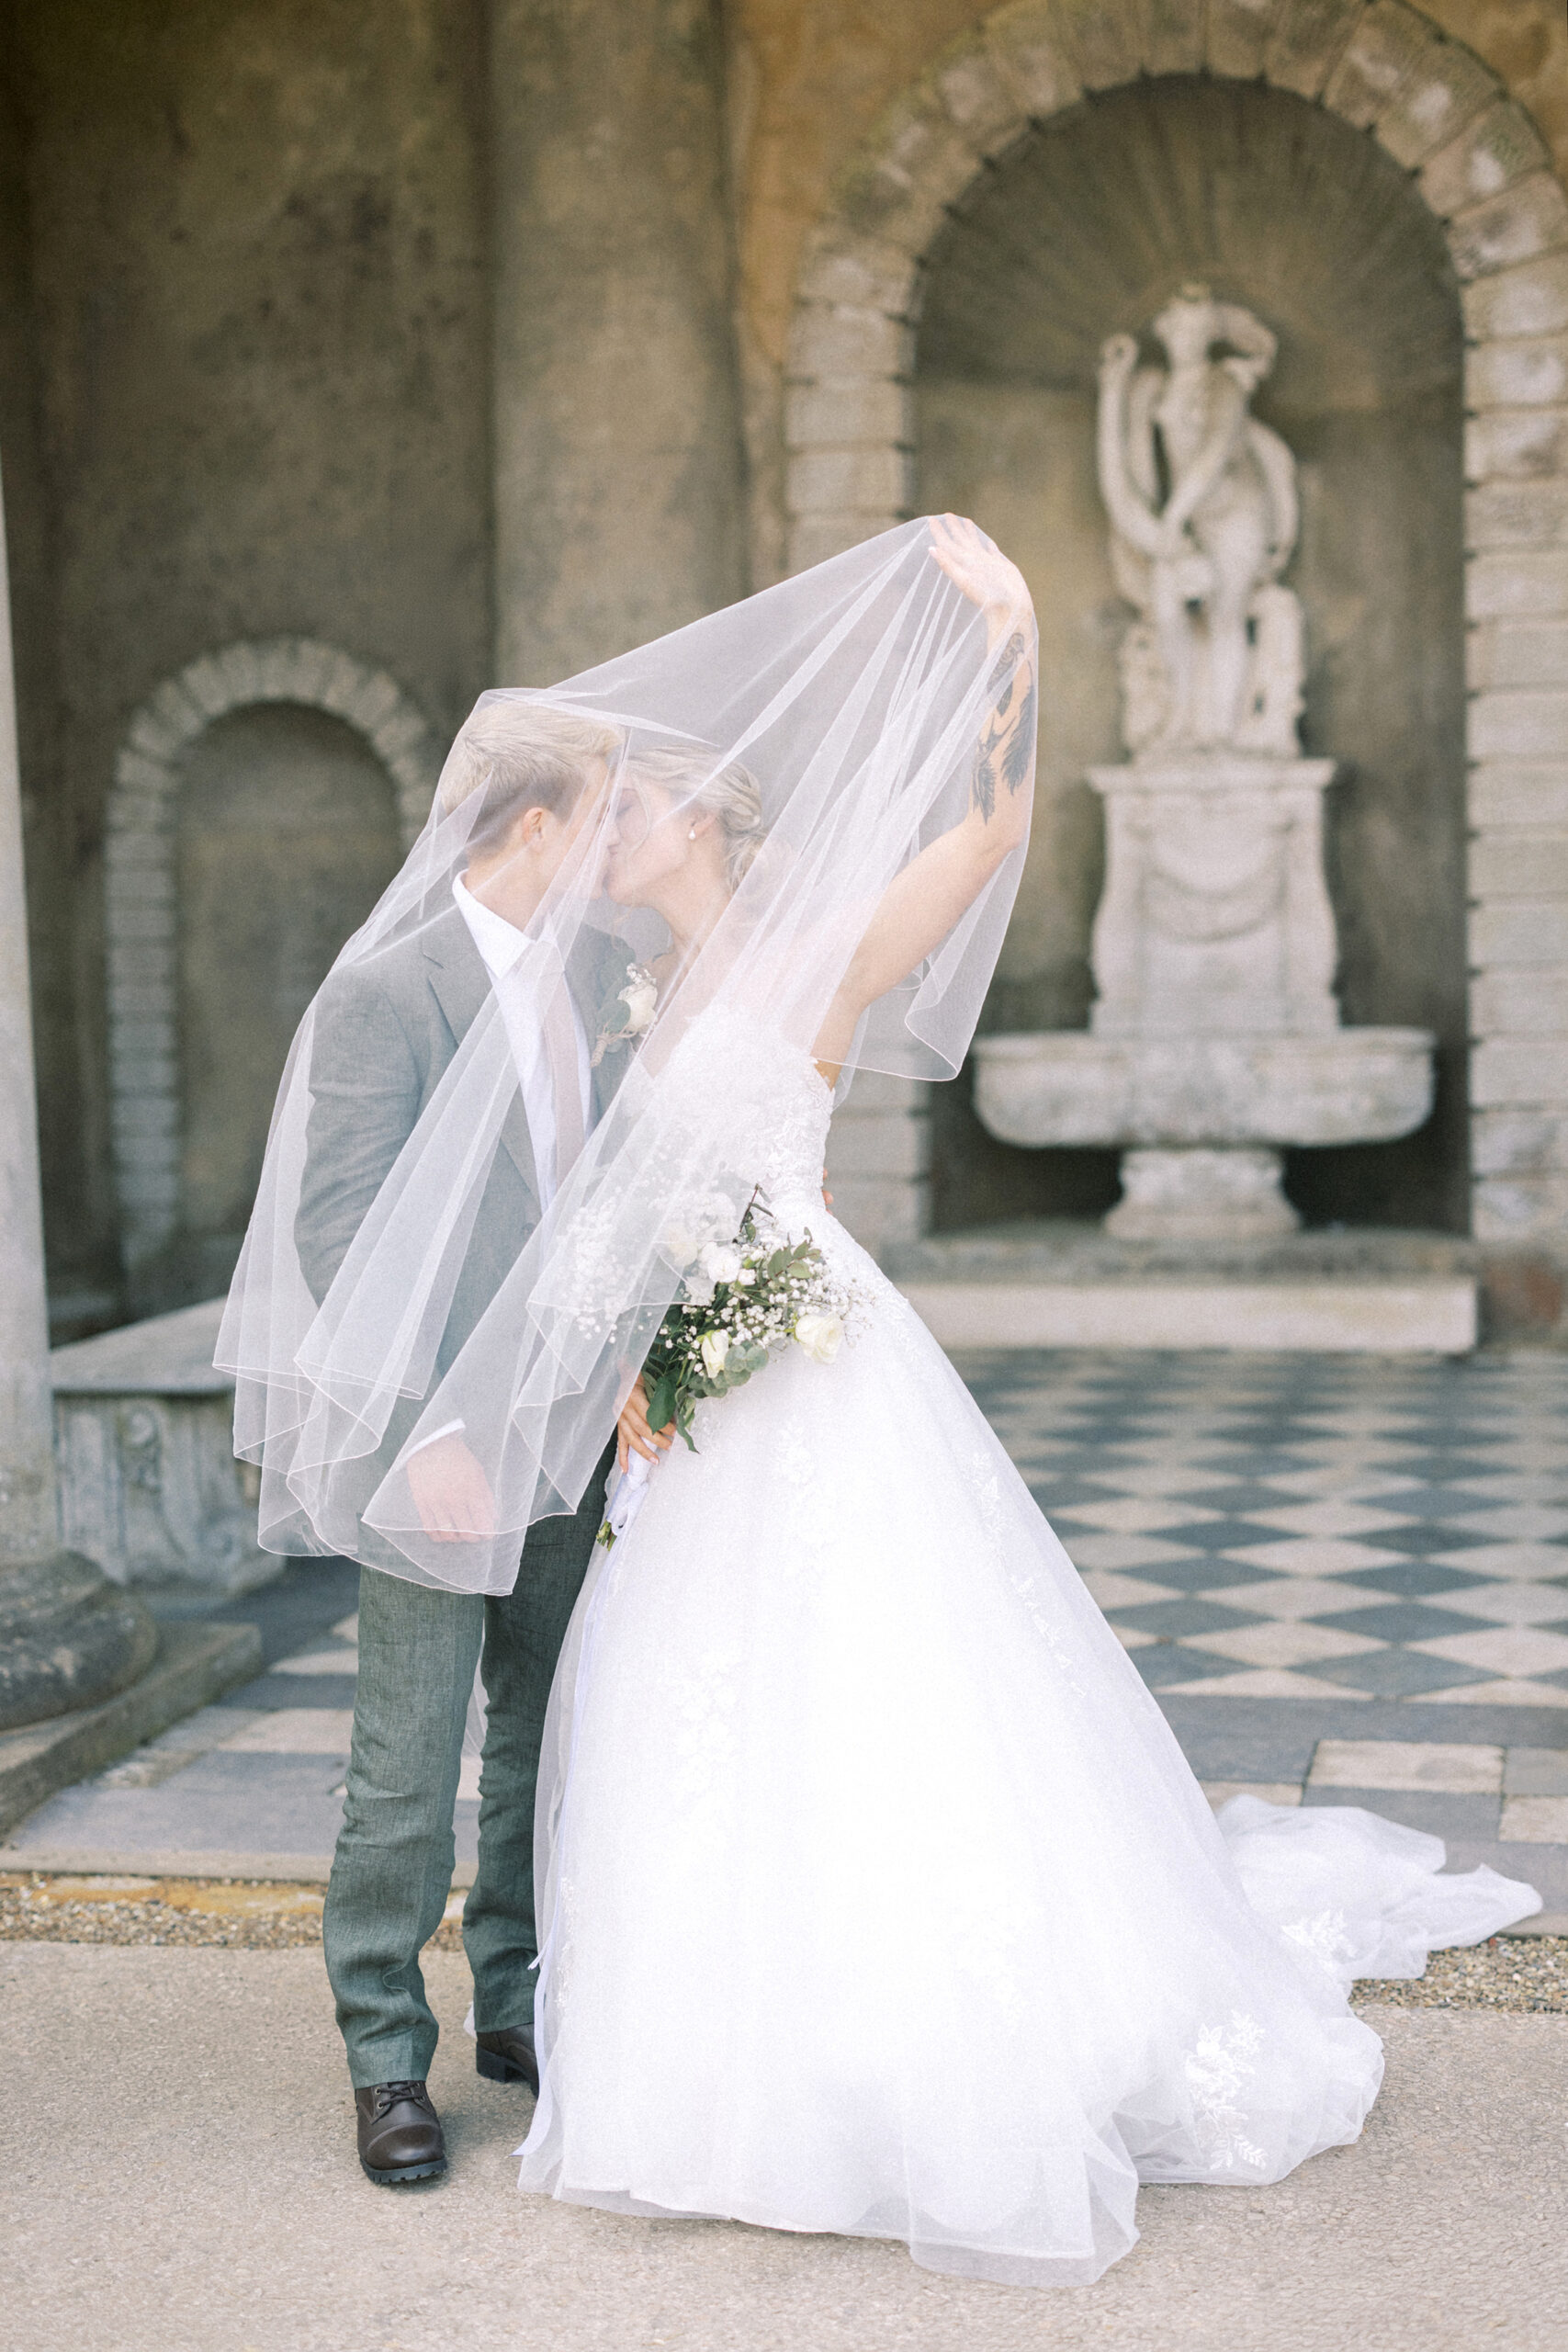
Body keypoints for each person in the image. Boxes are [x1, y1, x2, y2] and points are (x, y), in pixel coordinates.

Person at [224, 517, 1537, 2280]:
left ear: (700, 824)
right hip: (653, 1414)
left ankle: (763, 2034)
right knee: (634, 1722)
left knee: (829, 1699)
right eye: (598, 811)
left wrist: (1008, 649)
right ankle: (497, 2046)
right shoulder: (615, 992)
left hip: (801, 1368)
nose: (617, 832)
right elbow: (556, 1222)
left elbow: (985, 832)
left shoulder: (815, 945)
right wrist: (620, 1370)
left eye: (640, 807)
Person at [272, 701, 628, 2184]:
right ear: (535, 827)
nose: (614, 854)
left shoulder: (604, 976)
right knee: (406, 1767)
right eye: (600, 823)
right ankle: (382, 2056)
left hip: (572, 1431)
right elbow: (336, 1229)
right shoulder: (388, 993)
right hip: (430, 1440)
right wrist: (429, 1432)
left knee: (547, 1735)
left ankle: (518, 1998)